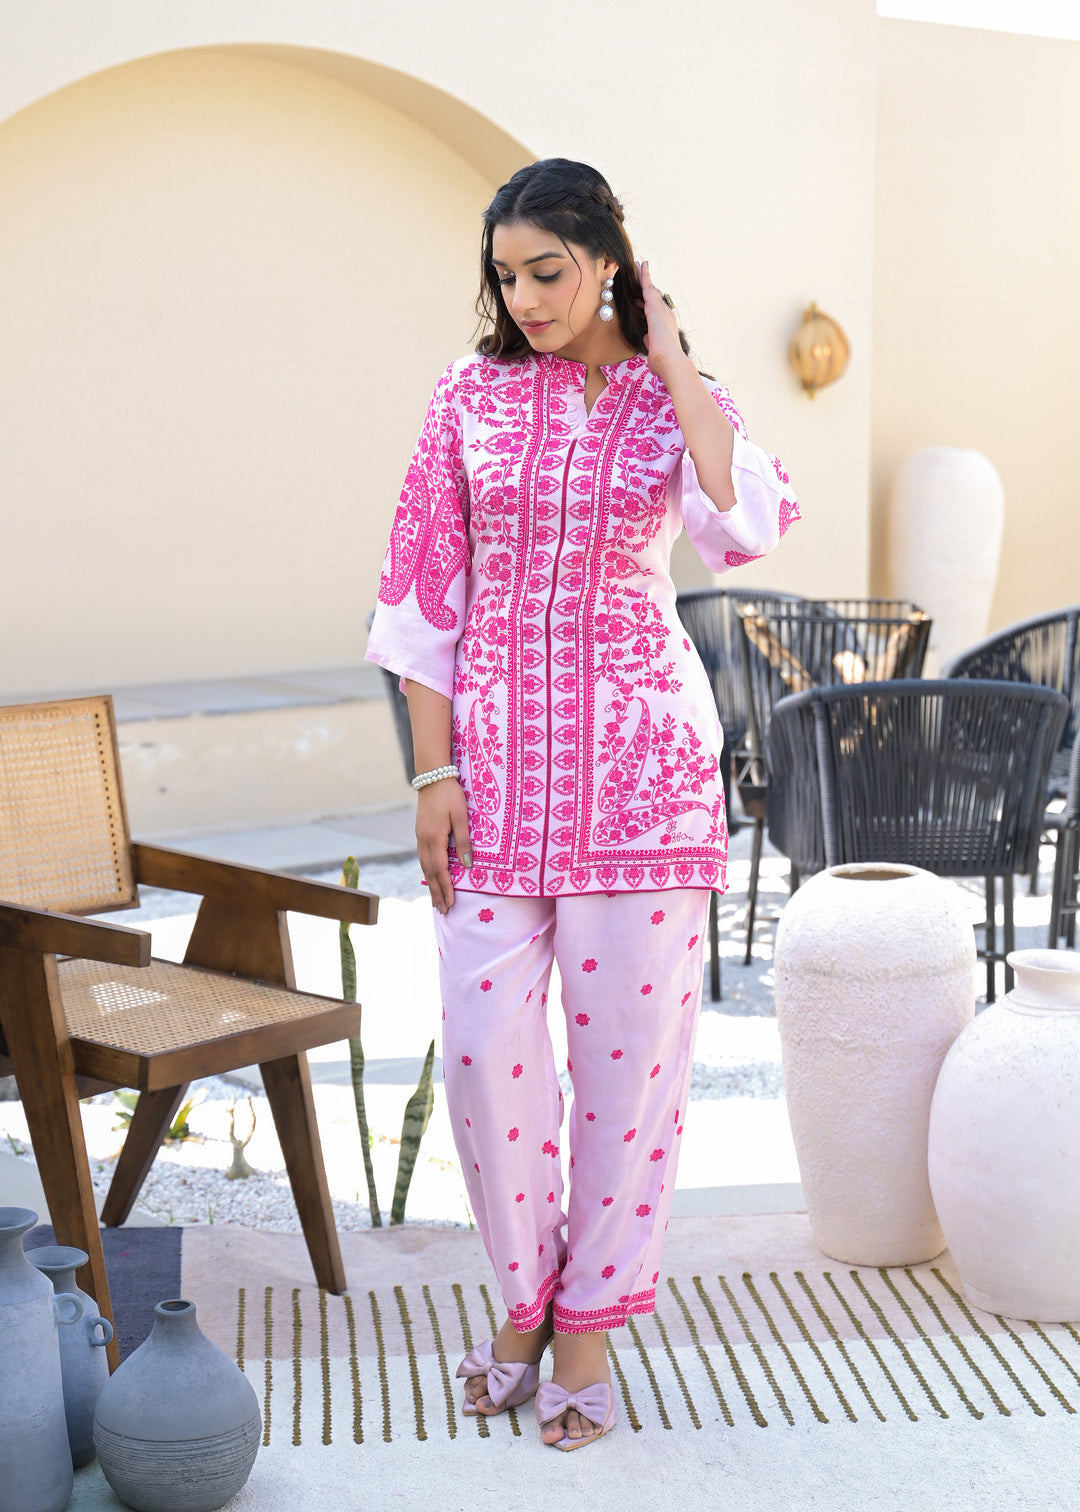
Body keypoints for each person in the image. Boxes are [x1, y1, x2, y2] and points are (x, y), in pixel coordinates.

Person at [366, 158, 799, 1450]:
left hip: (643, 777)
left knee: (629, 1071)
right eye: (506, 276)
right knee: (484, 1056)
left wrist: (671, 360)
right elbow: (422, 592)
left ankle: (587, 1326)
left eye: (547, 271)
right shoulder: (468, 395)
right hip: (492, 777)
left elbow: (747, 524)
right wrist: (432, 773)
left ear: (609, 260)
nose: (525, 298)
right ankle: (521, 1301)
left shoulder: (679, 402)